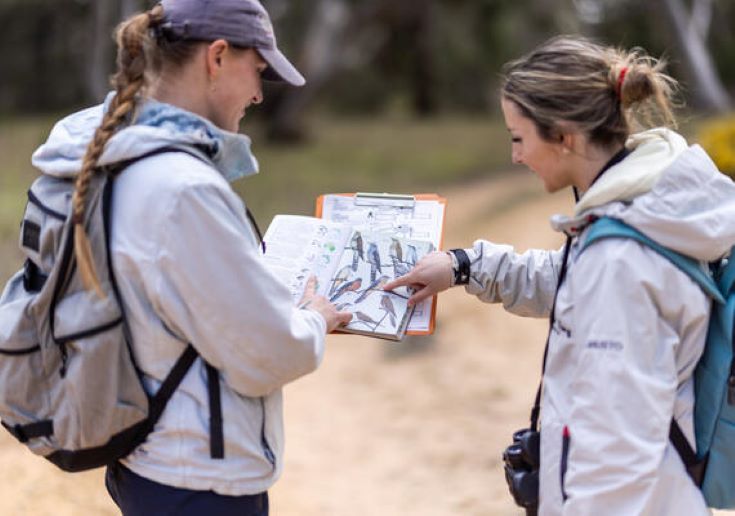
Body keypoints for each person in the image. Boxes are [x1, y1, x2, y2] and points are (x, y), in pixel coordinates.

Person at [386, 35, 735, 515]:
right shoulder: (642, 216)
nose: (515, 156)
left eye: (518, 137)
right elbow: (571, 278)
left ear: (564, 136)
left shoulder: (621, 259)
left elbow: (617, 455)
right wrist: (464, 267)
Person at [30, 0, 351, 514]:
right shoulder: (182, 188)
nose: (257, 95)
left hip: (142, 456)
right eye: (259, 72)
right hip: (200, 476)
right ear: (217, 57)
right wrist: (315, 317)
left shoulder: (104, 149)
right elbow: (267, 353)